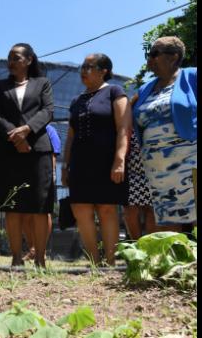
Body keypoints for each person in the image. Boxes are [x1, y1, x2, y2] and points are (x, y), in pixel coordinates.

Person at [61, 53, 131, 266]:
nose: (83, 70)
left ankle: (110, 262)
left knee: (107, 209)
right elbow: (71, 136)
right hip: (81, 163)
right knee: (81, 209)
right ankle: (94, 260)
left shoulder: (115, 92)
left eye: (89, 67)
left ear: (104, 71)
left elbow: (124, 128)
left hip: (106, 160)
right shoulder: (76, 100)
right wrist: (65, 166)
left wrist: (120, 159)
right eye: (82, 66)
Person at [0, 43, 55, 268]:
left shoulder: (42, 83)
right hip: (9, 150)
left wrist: (26, 130)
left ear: (28, 60)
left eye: (16, 57)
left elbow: (48, 111)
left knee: (40, 205)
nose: (11, 61)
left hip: (38, 149)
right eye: (9, 57)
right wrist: (15, 137)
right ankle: (16, 257)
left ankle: (40, 258)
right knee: (12, 205)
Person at [133, 36, 197, 230]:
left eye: (154, 54)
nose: (149, 60)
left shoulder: (192, 76)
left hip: (190, 161)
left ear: (173, 57)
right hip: (158, 169)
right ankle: (176, 260)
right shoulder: (146, 88)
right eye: (148, 54)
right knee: (169, 222)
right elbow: (126, 111)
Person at [22, 123, 61, 261]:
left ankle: (41, 250)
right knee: (25, 214)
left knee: (44, 212)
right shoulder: (23, 127)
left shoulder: (50, 130)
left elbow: (54, 155)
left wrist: (51, 174)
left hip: (44, 175)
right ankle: (32, 248)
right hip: (25, 174)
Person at [122, 129, 157, 240]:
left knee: (152, 209)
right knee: (130, 209)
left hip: (155, 167)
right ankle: (136, 244)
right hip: (130, 169)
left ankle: (149, 245)